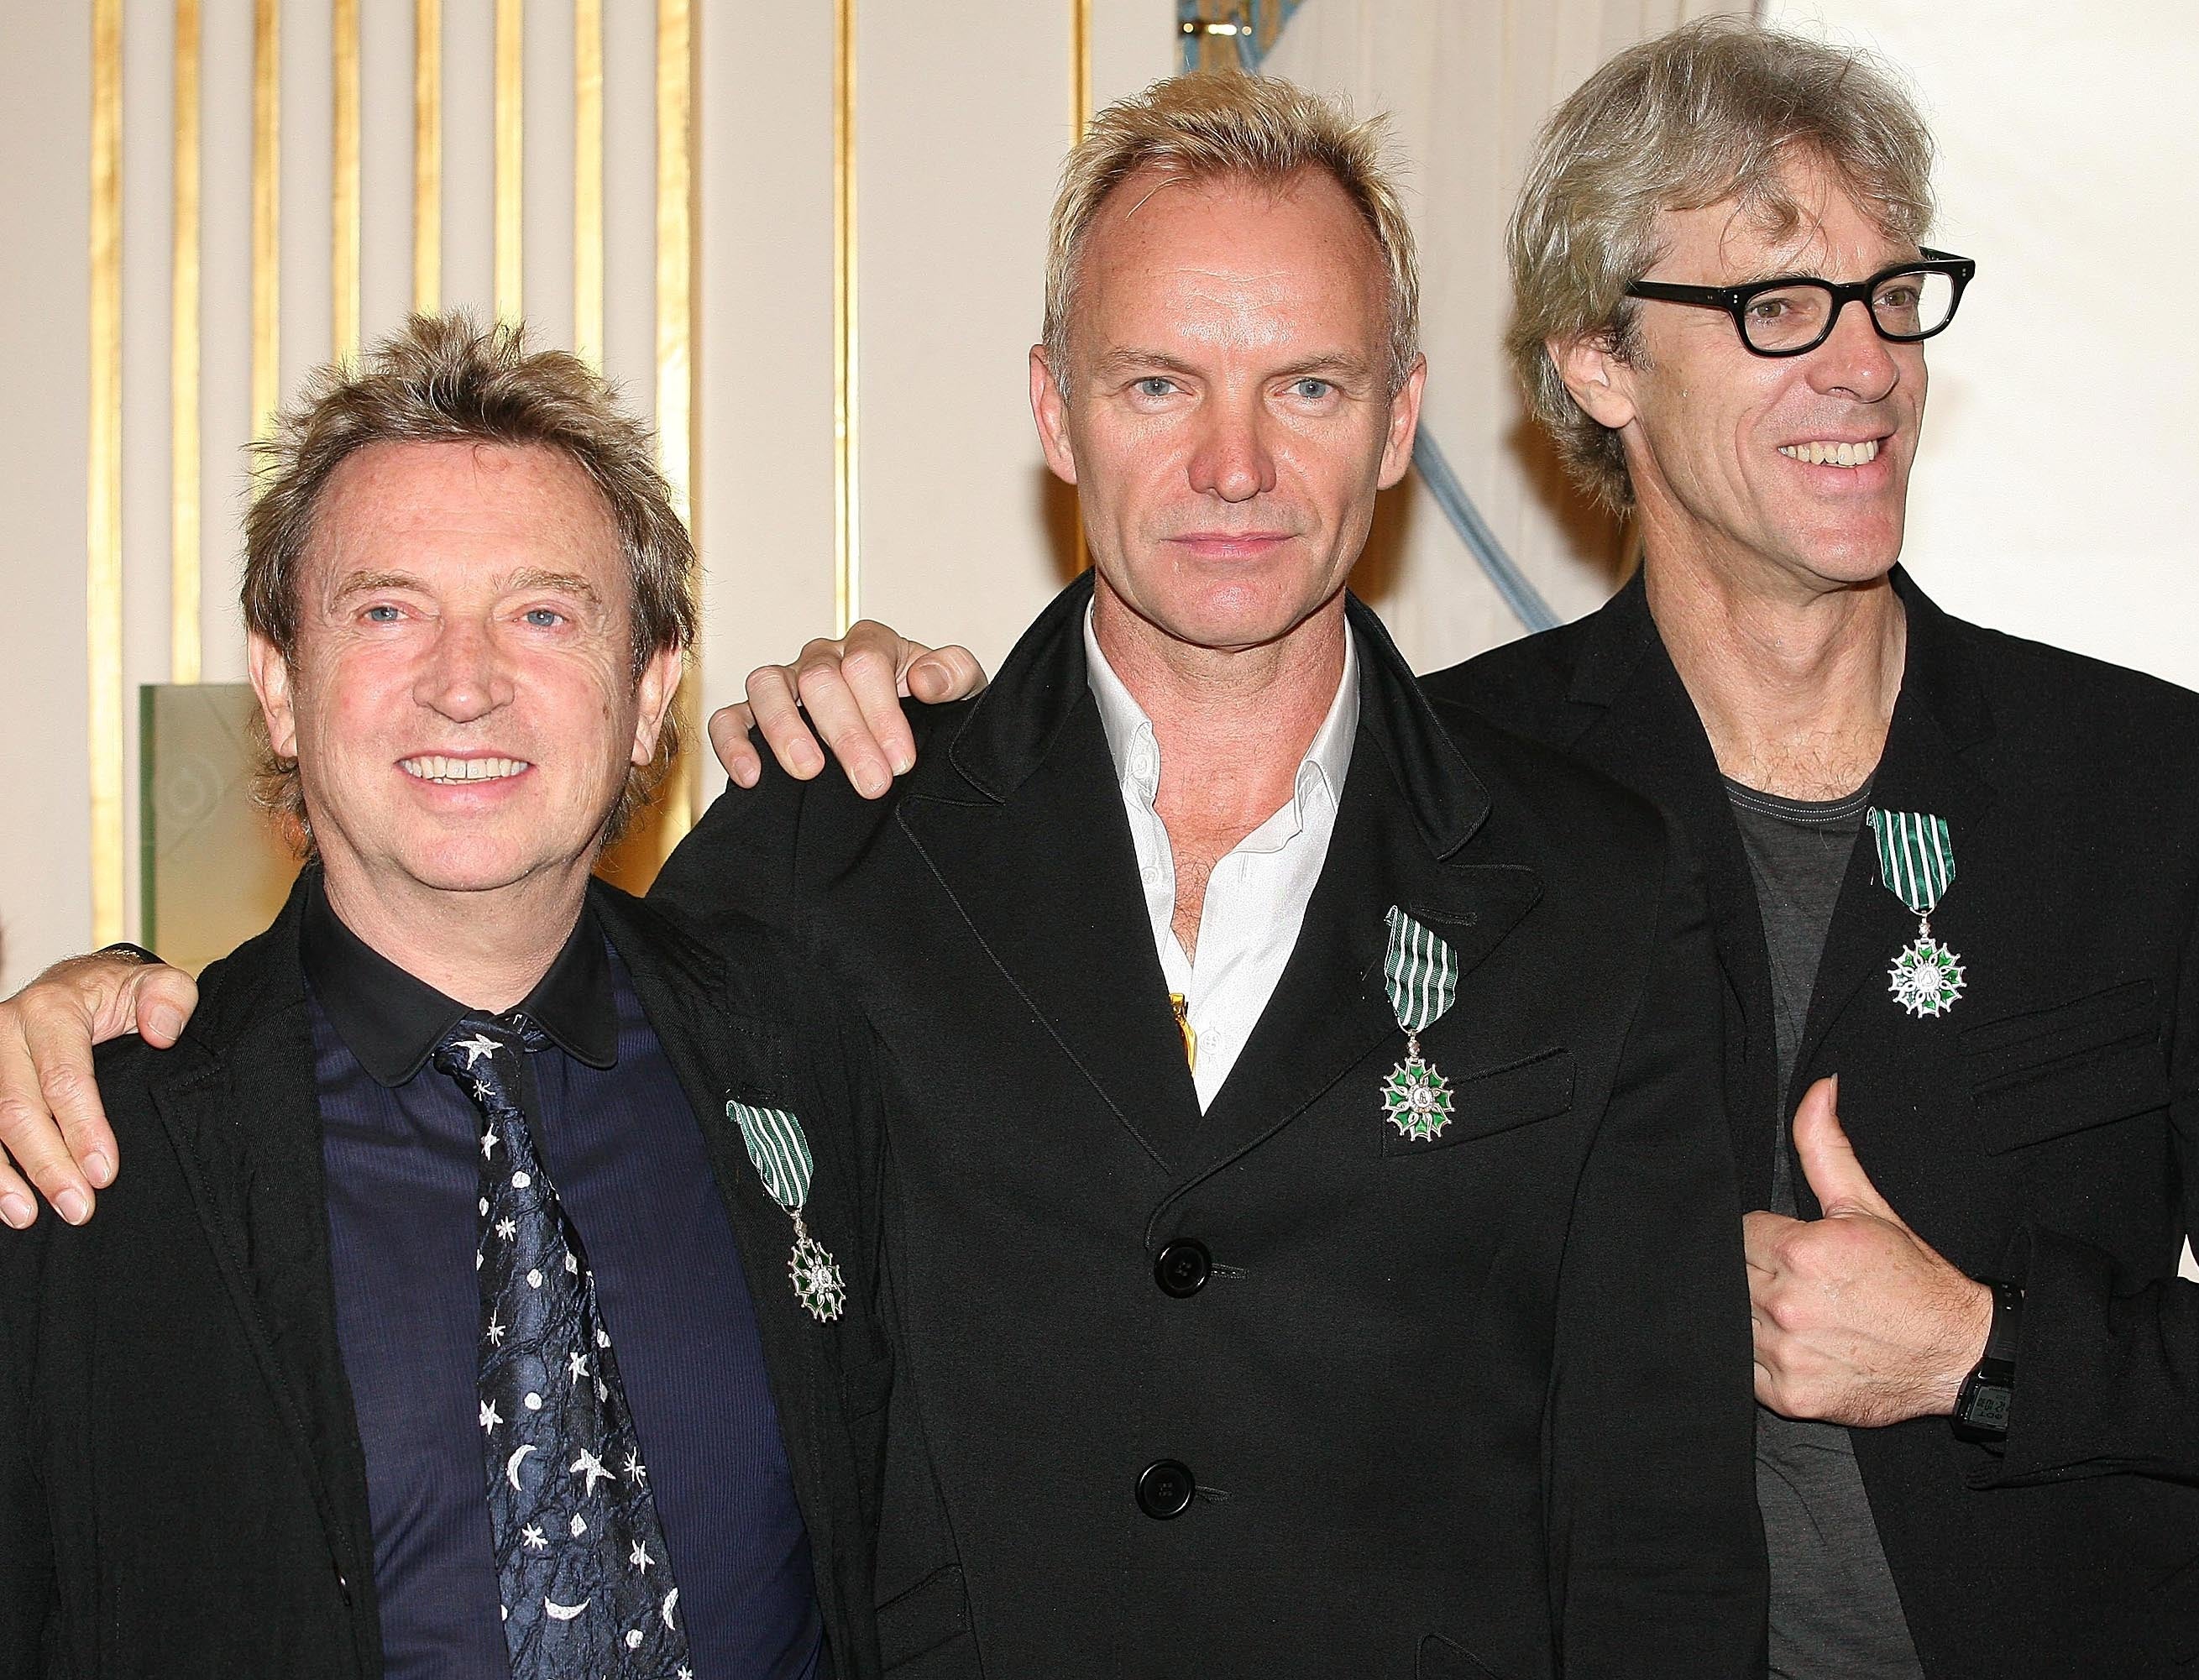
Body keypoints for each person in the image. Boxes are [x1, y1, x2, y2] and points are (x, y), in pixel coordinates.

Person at [704, 21, 2199, 1680]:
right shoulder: (1466, 794)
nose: (1863, 362)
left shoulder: (2158, 792)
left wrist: (1984, 1343)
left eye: (1890, 295)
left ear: (1390, 414)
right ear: (1593, 361)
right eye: (1781, 302)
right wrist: (862, 714)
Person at [0, 76, 1765, 1677]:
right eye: (1159, 381)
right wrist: (106, 1012)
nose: (1234, 464)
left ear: (1399, 422)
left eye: (1306, 384)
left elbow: (1663, 1529)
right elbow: (483, 963)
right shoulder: (825, 845)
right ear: (1054, 413)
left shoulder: (1605, 884)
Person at [0, 317, 886, 1678]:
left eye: (541, 613)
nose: (463, 684)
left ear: (650, 693)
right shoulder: (81, 1163)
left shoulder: (817, 1048)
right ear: (281, 687)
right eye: (388, 609)